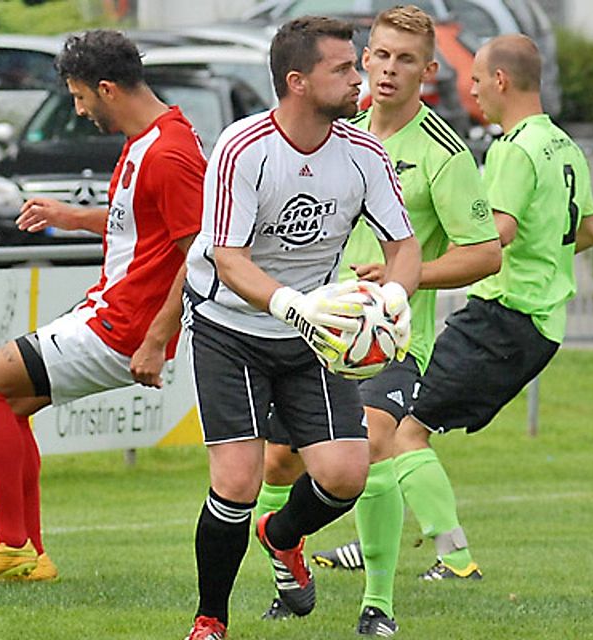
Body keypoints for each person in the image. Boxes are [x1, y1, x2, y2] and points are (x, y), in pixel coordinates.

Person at [255, 6, 502, 635]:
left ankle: (379, 606)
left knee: (370, 449)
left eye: (406, 60)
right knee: (279, 465)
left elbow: (484, 252)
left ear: (430, 69)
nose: (390, 70)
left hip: (388, 342)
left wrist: (399, 281)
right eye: (381, 56)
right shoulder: (340, 133)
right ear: (364, 60)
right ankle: (287, 568)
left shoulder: (444, 153)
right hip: (314, 333)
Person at [0, 30, 206, 585]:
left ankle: (11, 543)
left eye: (80, 97)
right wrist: (72, 216)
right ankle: (30, 555)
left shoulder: (172, 152)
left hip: (122, 328)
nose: (79, 110)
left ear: (107, 88)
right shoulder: (148, 138)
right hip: (111, 313)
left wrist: (156, 339)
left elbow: (198, 255)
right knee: (6, 407)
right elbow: (142, 226)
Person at [181, 15, 422, 640]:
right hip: (229, 328)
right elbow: (227, 259)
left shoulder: (364, 153)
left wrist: (395, 294)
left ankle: (281, 536)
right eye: (343, 69)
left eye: (356, 64)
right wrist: (292, 304)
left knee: (346, 474)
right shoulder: (241, 148)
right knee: (237, 482)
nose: (359, 78)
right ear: (297, 82)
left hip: (317, 334)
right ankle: (211, 621)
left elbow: (405, 244)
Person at [382, 32, 593, 584]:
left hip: (502, 317)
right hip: (542, 321)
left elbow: (494, 234)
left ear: (500, 81)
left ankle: (452, 558)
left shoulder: (514, 148)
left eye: (476, 80)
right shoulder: (563, 146)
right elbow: (590, 231)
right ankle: (376, 538)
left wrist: (412, 272)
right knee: (393, 426)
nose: (472, 91)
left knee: (400, 429)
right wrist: (543, 250)